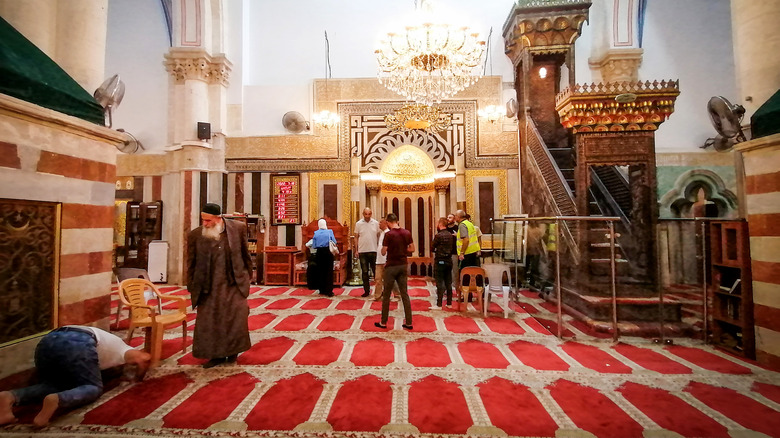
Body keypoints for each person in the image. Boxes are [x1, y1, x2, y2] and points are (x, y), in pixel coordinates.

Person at [0, 326, 151, 427]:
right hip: (78, 342)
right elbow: (139, 357)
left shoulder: (113, 348)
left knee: (53, 385)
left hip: (47, 341)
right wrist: (143, 366)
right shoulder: (122, 348)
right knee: (93, 387)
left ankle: (10, 397)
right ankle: (58, 400)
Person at [187, 203, 252, 368]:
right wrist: (191, 286)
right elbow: (191, 263)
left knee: (234, 320)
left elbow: (246, 256)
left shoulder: (238, 229)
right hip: (208, 287)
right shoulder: (195, 235)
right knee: (210, 322)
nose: (205, 224)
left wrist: (246, 279)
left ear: (218, 218)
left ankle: (232, 353)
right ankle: (214, 356)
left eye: (208, 220)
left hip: (233, 284)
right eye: (203, 220)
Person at [374, 213, 415, 330]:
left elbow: (383, 252)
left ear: (388, 222)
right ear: (397, 221)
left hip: (391, 266)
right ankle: (409, 322)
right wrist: (403, 250)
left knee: (386, 294)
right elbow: (412, 248)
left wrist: (387, 248)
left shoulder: (389, 234)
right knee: (404, 294)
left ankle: (383, 322)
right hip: (403, 265)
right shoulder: (406, 233)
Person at [306, 218, 337, 297]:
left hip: (319, 253)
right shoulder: (329, 232)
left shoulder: (316, 233)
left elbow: (314, 245)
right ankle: (329, 291)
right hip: (328, 252)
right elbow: (334, 242)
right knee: (329, 272)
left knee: (321, 271)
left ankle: (322, 290)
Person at [354, 208, 380, 298]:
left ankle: (378, 291)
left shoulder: (376, 223)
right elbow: (356, 237)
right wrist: (356, 250)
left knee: (376, 272)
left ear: (371, 214)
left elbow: (379, 236)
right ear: (363, 214)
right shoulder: (358, 224)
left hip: (373, 250)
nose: (367, 216)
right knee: (365, 272)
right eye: (366, 214)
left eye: (369, 214)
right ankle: (366, 291)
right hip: (362, 251)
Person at [431, 217, 456, 308]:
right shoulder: (450, 235)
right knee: (448, 282)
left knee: (439, 282)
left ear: (440, 224)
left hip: (440, 260)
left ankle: (439, 304)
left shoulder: (438, 235)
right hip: (449, 260)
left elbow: (432, 247)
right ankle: (449, 303)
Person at [524, 222, 546, 289]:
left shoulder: (526, 229)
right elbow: (540, 243)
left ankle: (528, 282)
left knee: (527, 268)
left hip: (528, 252)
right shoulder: (537, 231)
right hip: (534, 252)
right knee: (534, 269)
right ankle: (532, 283)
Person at [446, 213, 460, 291]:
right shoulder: (445, 229)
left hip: (454, 252)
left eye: (450, 217)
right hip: (446, 253)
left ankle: (456, 287)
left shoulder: (457, 228)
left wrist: (457, 235)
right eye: (448, 217)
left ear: (454, 220)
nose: (448, 219)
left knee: (455, 271)